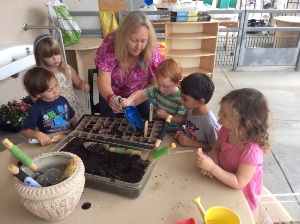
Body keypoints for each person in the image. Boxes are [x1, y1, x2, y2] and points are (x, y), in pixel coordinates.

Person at [195, 88, 270, 212]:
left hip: (240, 194)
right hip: (222, 178)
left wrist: (213, 168)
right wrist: (213, 164)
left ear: (243, 121)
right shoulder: (227, 130)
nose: (219, 116)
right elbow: (216, 149)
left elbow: (239, 182)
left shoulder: (251, 151)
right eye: (221, 111)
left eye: (225, 114)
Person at [94, 11, 164, 119]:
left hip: (140, 95)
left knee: (146, 122)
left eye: (143, 41)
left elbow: (153, 84)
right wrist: (111, 98)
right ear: (124, 36)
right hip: (111, 93)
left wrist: (133, 102)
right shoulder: (110, 44)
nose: (138, 46)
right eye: (134, 40)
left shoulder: (152, 51)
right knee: (109, 124)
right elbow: (103, 80)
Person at [121, 58, 187, 132]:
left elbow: (182, 120)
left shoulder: (182, 99)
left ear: (177, 83)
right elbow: (140, 93)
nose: (161, 89)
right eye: (159, 85)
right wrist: (129, 100)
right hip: (156, 129)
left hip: (171, 133)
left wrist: (167, 116)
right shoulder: (156, 90)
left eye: (165, 86)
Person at [34, 34, 90, 120]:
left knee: (77, 122)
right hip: (54, 105)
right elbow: (34, 95)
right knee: (61, 125)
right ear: (41, 57)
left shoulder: (67, 68)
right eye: (49, 56)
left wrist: (83, 85)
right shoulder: (41, 76)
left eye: (57, 54)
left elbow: (78, 82)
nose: (55, 58)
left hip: (72, 103)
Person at [22, 67, 77, 146]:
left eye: (56, 85)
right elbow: (25, 131)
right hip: (50, 142)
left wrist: (77, 130)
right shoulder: (36, 109)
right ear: (37, 93)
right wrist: (38, 134)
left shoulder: (63, 100)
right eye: (49, 90)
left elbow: (72, 119)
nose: (56, 91)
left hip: (68, 137)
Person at [174, 73, 220, 152]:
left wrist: (191, 143)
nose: (181, 100)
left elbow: (215, 147)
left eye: (185, 99)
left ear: (200, 101)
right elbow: (190, 128)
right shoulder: (190, 110)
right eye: (181, 96)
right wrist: (182, 133)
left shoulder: (210, 124)